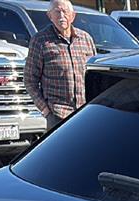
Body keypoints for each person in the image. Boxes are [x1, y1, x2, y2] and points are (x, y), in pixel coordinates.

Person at [23, 0, 97, 131]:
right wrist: (46, 111)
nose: (62, 16)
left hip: (85, 113)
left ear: (73, 16)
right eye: (57, 12)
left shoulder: (86, 39)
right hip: (58, 116)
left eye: (65, 12)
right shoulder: (40, 41)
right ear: (49, 16)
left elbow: (95, 75)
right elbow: (30, 80)